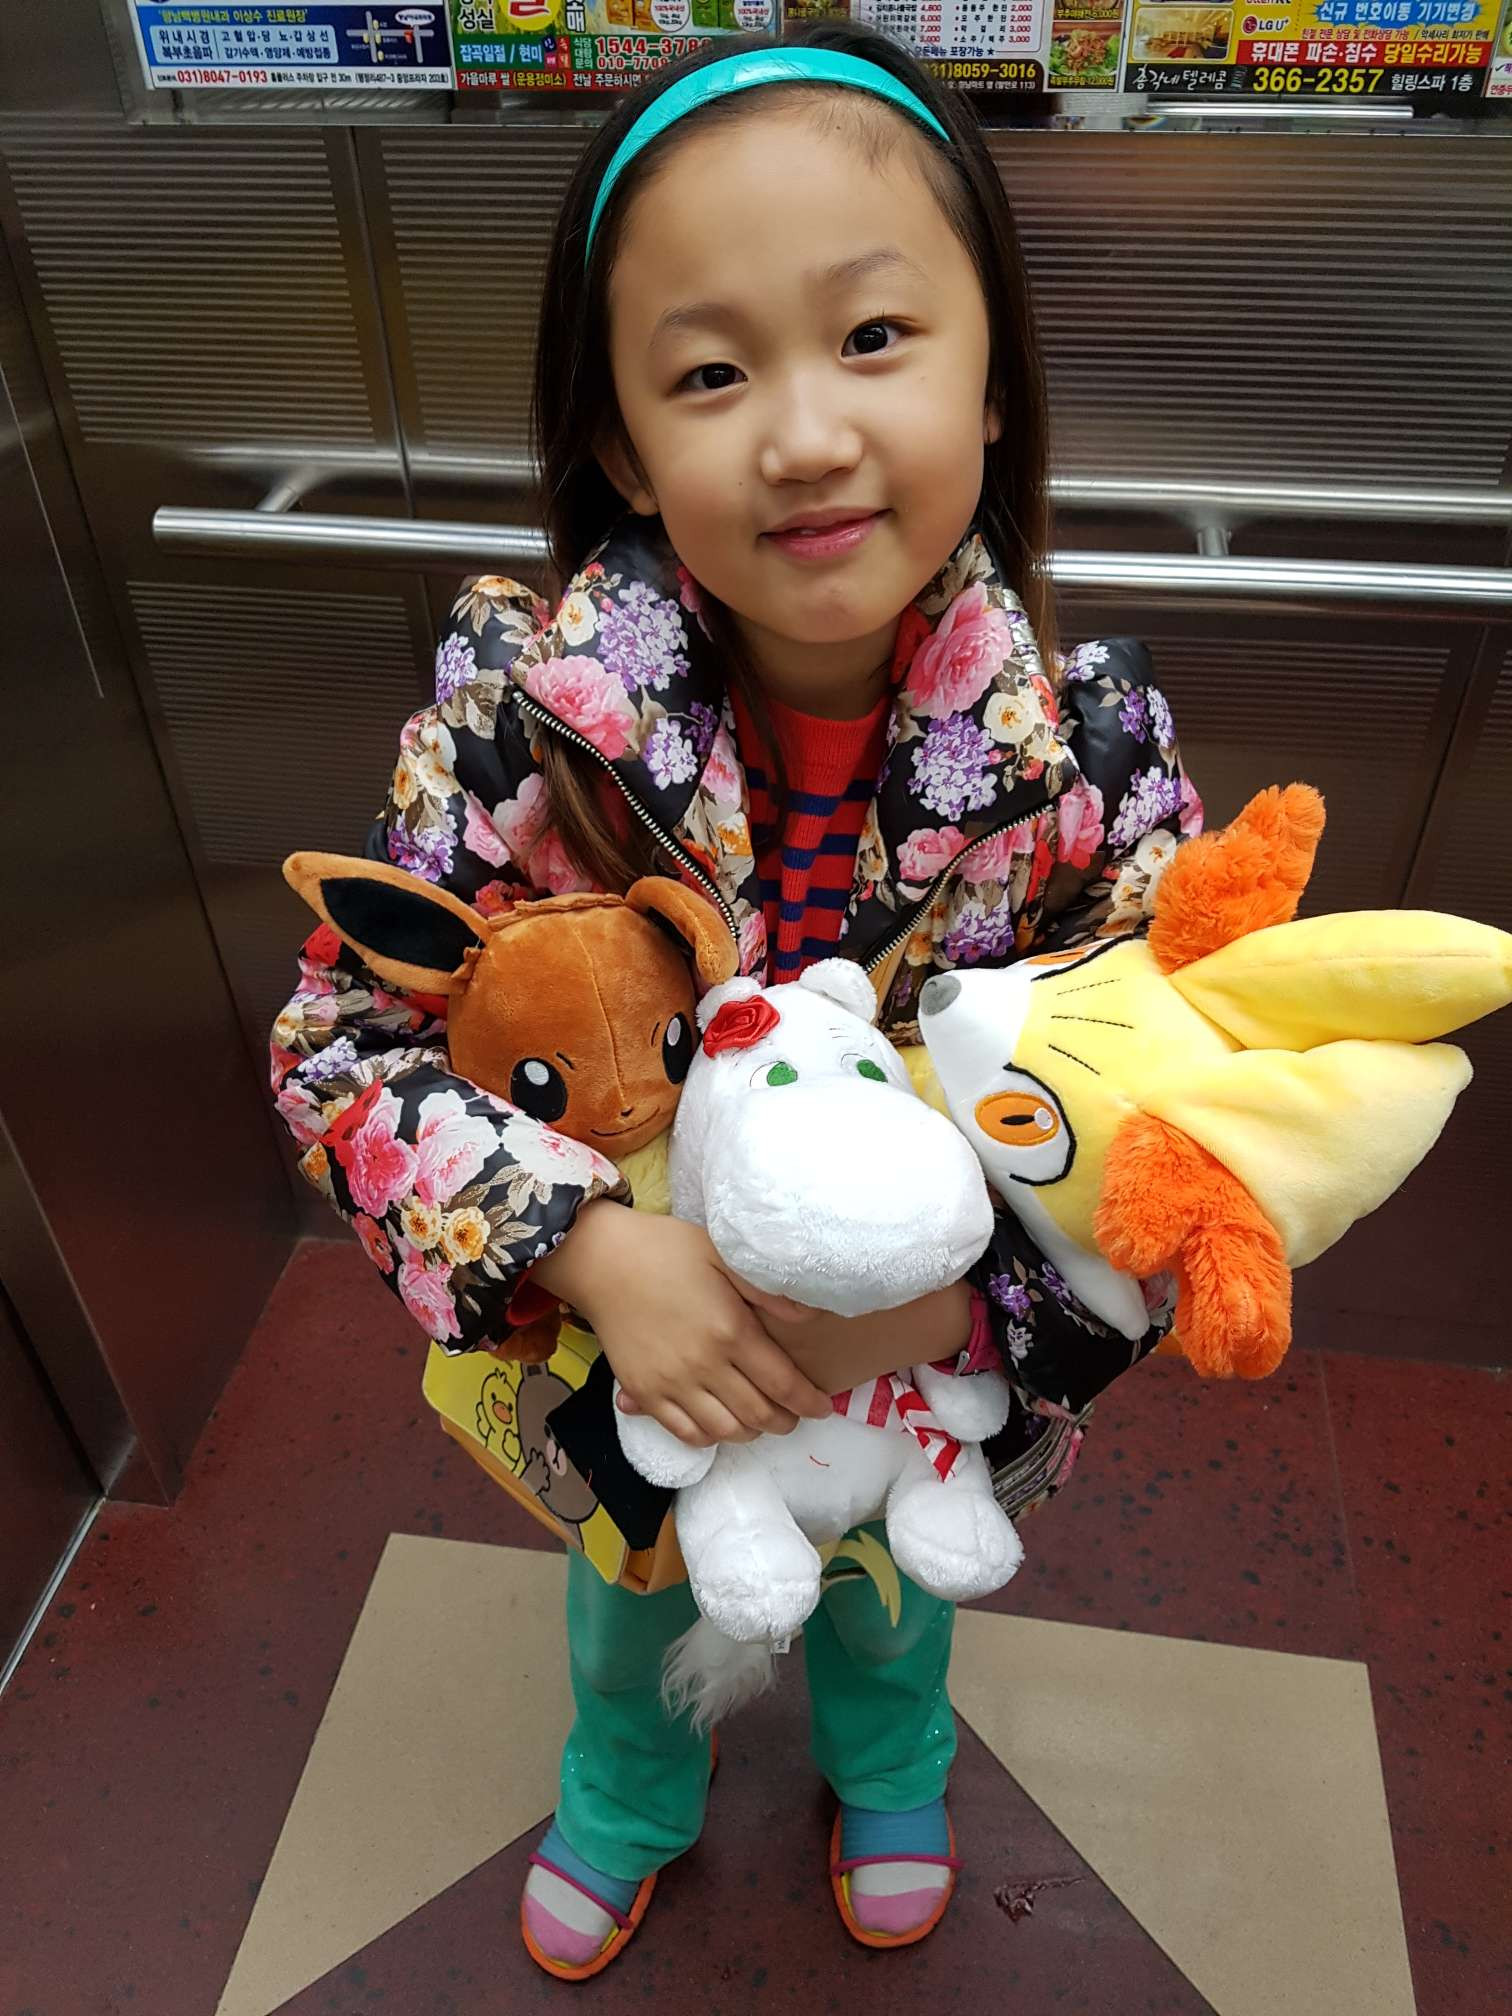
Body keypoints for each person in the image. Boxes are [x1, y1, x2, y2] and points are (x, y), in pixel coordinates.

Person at [271, 19, 1199, 1981]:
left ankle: (891, 1771)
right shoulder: (522, 726)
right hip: (649, 1365)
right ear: (620, 440)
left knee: (895, 1601)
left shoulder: (1092, 760)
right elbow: (340, 1050)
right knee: (629, 1603)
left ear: (993, 375)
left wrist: (969, 1312)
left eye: (873, 337)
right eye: (710, 370)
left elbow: (1190, 1128)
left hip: (926, 1364)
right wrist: (592, 1253)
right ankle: (629, 1791)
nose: (802, 433)